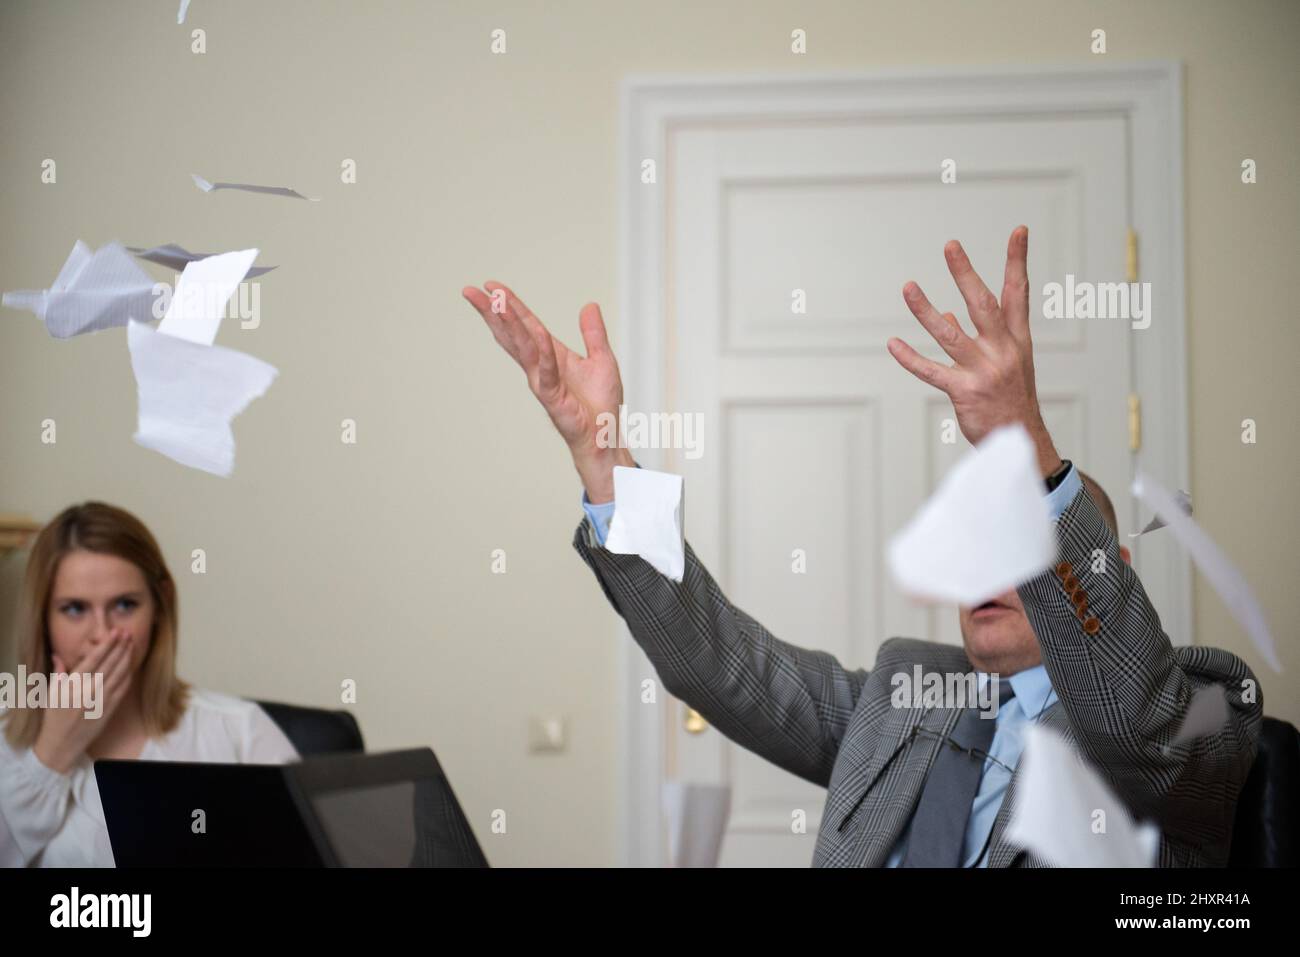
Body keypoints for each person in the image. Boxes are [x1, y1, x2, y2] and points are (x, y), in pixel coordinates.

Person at [462, 225, 1262, 866]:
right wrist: (602, 456)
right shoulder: (905, 692)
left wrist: (1026, 441)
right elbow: (722, 665)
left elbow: (1135, 729)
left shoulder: (1198, 711)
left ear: (1106, 571)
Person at [0, 502, 298, 867]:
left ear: (159, 606)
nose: (102, 635)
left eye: (125, 605)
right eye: (75, 609)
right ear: (42, 619)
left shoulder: (238, 730)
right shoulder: (4, 736)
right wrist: (51, 754)